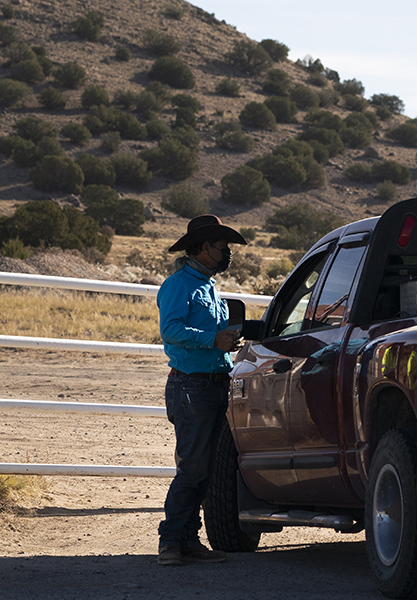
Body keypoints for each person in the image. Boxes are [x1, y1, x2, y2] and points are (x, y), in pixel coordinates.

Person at [156, 215, 247, 566]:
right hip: (191, 385)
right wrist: (214, 339)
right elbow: (171, 331)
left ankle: (186, 540)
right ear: (203, 248)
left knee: (205, 467)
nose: (227, 254)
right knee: (194, 467)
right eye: (223, 248)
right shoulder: (180, 285)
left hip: (210, 384)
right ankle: (171, 541)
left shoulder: (208, 286)